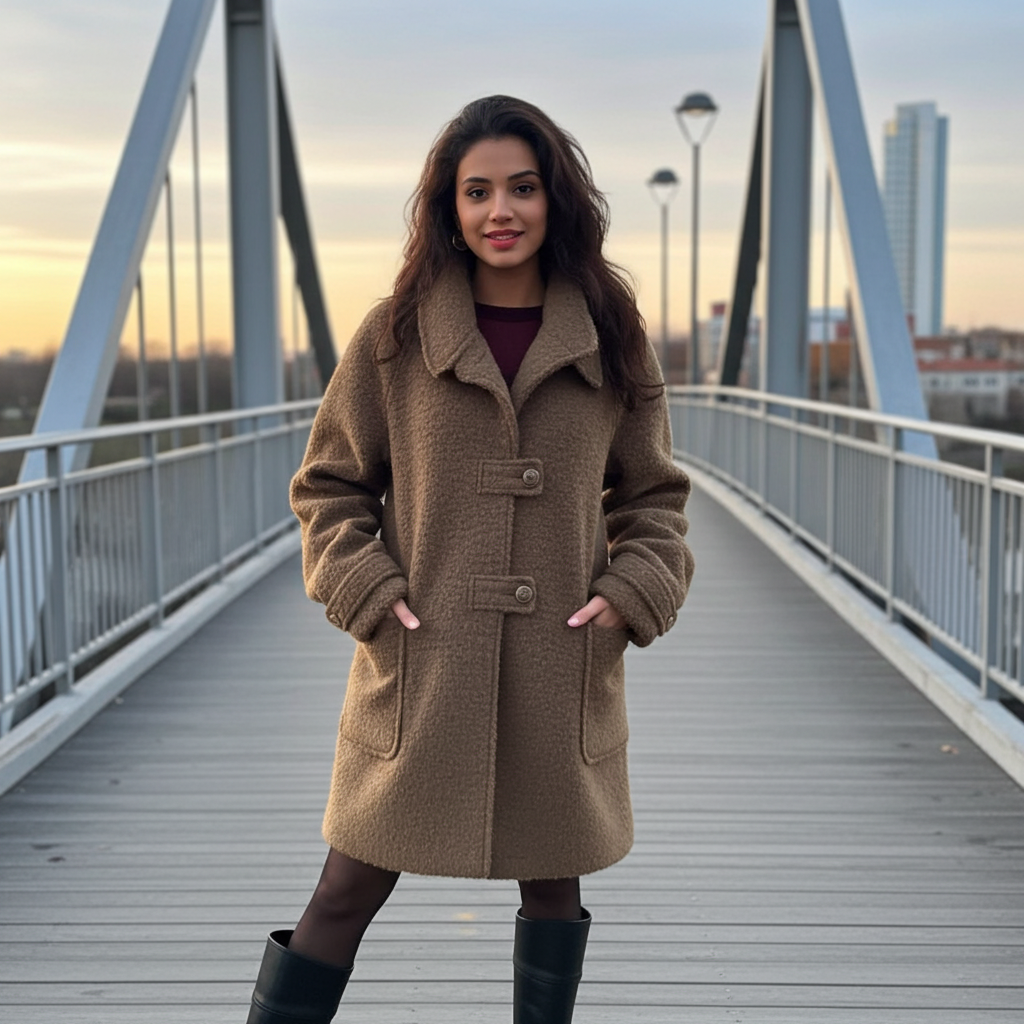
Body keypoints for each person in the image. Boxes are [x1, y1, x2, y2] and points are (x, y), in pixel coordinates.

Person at [245, 94, 695, 1024]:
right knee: (342, 892)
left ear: (553, 197)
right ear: (447, 209)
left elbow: (654, 497)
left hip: (558, 668)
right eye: (477, 190)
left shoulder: (610, 336)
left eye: (522, 188)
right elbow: (326, 485)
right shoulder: (395, 337)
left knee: (553, 898)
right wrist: (368, 587)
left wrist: (628, 595)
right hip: (422, 669)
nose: (501, 211)